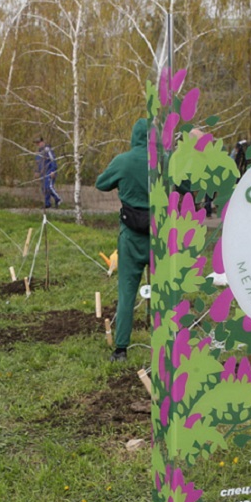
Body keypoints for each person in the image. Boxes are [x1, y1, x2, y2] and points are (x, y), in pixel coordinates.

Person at [95, 118, 149, 363]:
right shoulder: (167, 162)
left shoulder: (123, 161)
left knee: (127, 291)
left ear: (134, 136)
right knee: (167, 292)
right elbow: (188, 187)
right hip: (161, 235)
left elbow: (101, 184)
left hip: (131, 236)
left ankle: (121, 350)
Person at [35, 136, 61, 208]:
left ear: (43, 142)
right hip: (43, 173)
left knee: (48, 187)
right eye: (37, 143)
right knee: (44, 188)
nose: (38, 144)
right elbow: (38, 163)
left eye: (39, 142)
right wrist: (37, 171)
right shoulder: (38, 153)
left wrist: (53, 170)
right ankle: (47, 203)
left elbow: (53, 160)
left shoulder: (48, 150)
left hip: (49, 171)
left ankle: (58, 199)